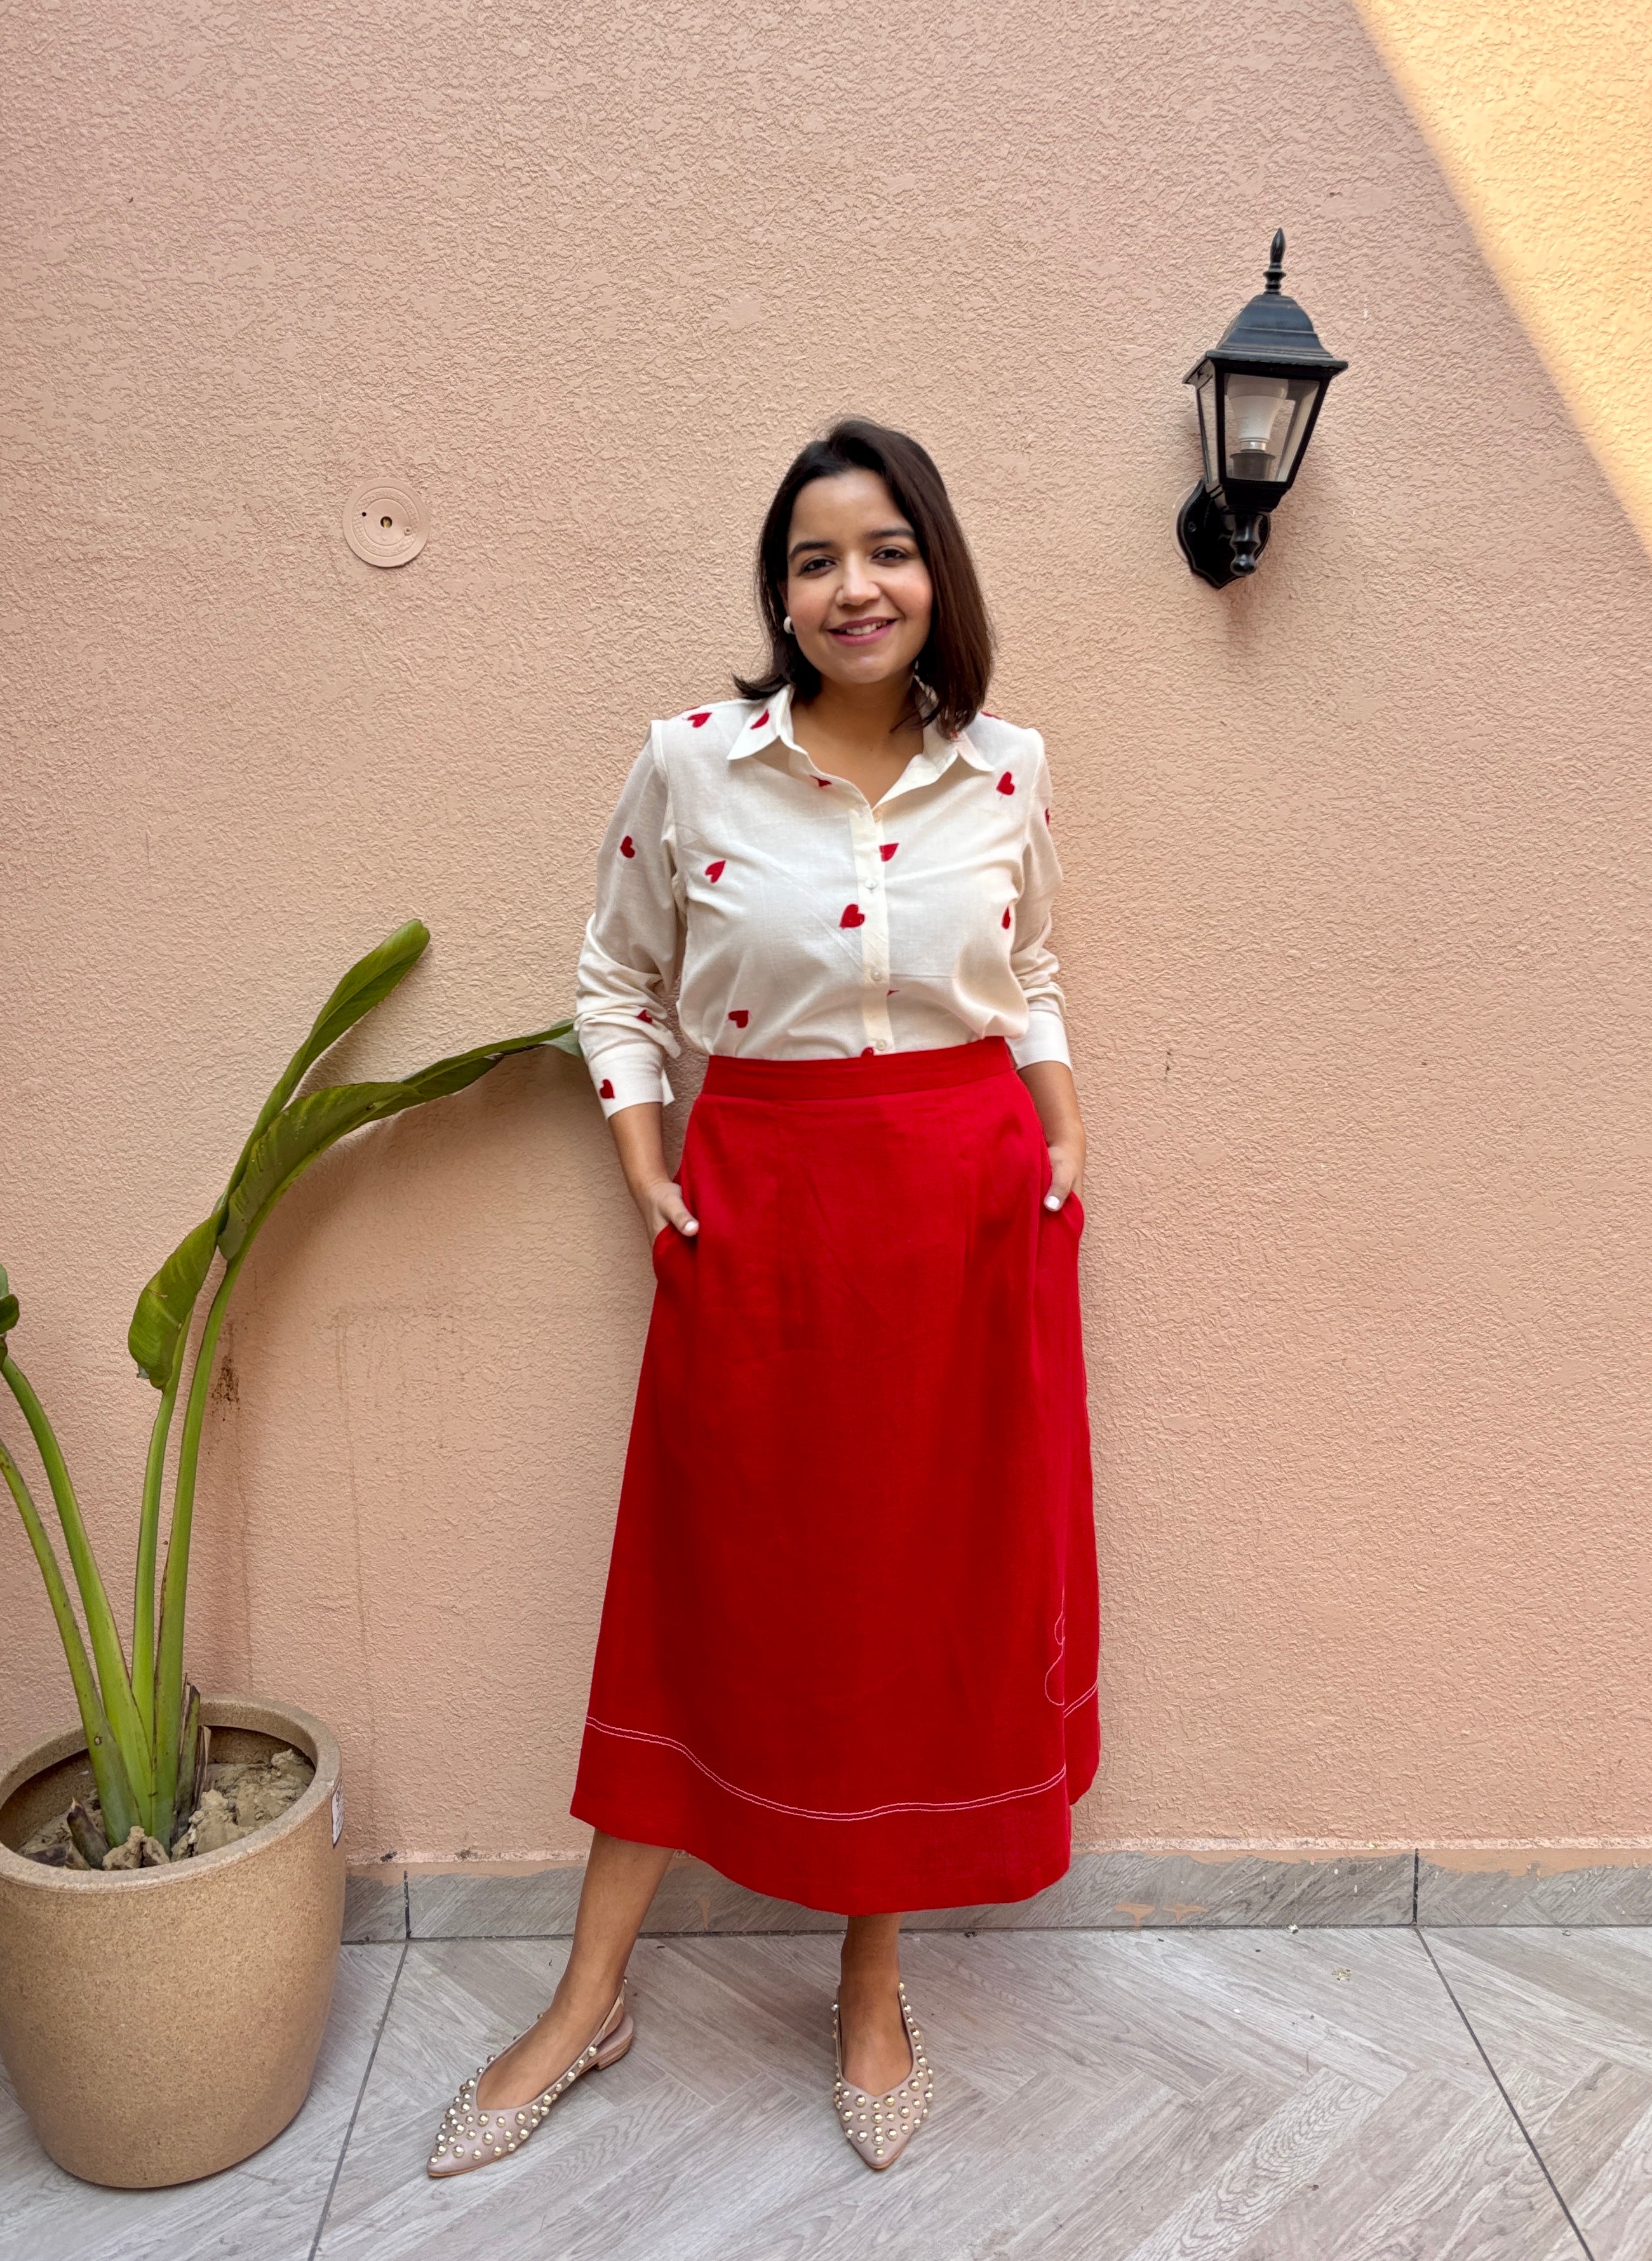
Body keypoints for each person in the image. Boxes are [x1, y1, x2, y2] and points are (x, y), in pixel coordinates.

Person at [429, 417, 1099, 2178]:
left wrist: (1060, 1120)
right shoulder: (694, 766)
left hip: (960, 1215)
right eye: (812, 561)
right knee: (694, 1586)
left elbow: (1022, 964)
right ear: (779, 594)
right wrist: (646, 1165)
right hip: (765, 1209)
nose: (849, 587)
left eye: (882, 550)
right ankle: (589, 1995)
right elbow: (611, 977)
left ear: (933, 571)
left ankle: (871, 1985)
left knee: (912, 1597)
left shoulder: (1007, 769)